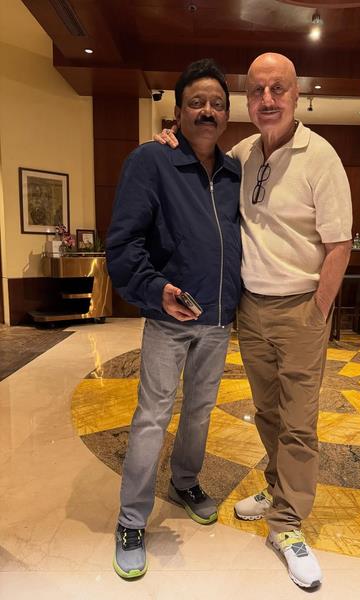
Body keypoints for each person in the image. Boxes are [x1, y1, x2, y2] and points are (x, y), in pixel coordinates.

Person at [157, 52, 352, 589]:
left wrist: (318, 311)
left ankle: (287, 523)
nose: (268, 99)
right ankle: (277, 485)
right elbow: (198, 165)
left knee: (298, 420)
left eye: (278, 89)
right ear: (248, 99)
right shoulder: (241, 154)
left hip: (300, 308)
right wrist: (170, 140)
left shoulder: (321, 157)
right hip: (251, 307)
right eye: (258, 90)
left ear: (296, 95)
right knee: (267, 412)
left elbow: (339, 244)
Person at [106, 58, 242, 579]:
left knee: (201, 411)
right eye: (196, 102)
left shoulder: (233, 172)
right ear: (179, 112)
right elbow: (124, 244)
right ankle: (131, 519)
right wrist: (154, 290)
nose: (207, 111)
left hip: (217, 319)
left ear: (226, 114)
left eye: (216, 104)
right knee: (152, 417)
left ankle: (185, 482)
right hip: (169, 319)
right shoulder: (150, 161)